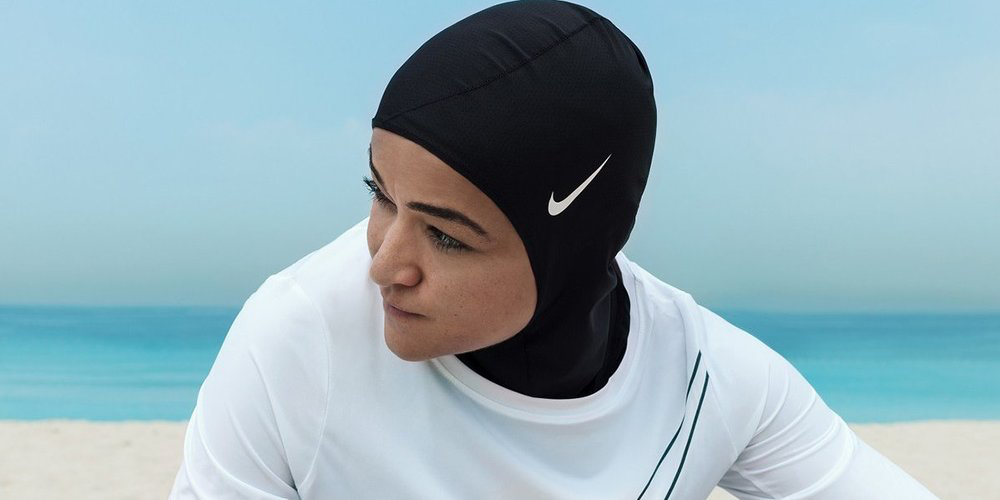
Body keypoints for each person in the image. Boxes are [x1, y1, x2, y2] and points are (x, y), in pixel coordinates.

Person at [170, 1, 938, 498]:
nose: (383, 266)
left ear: (575, 243)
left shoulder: (709, 380)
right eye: (381, 195)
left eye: (446, 234)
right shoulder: (299, 337)